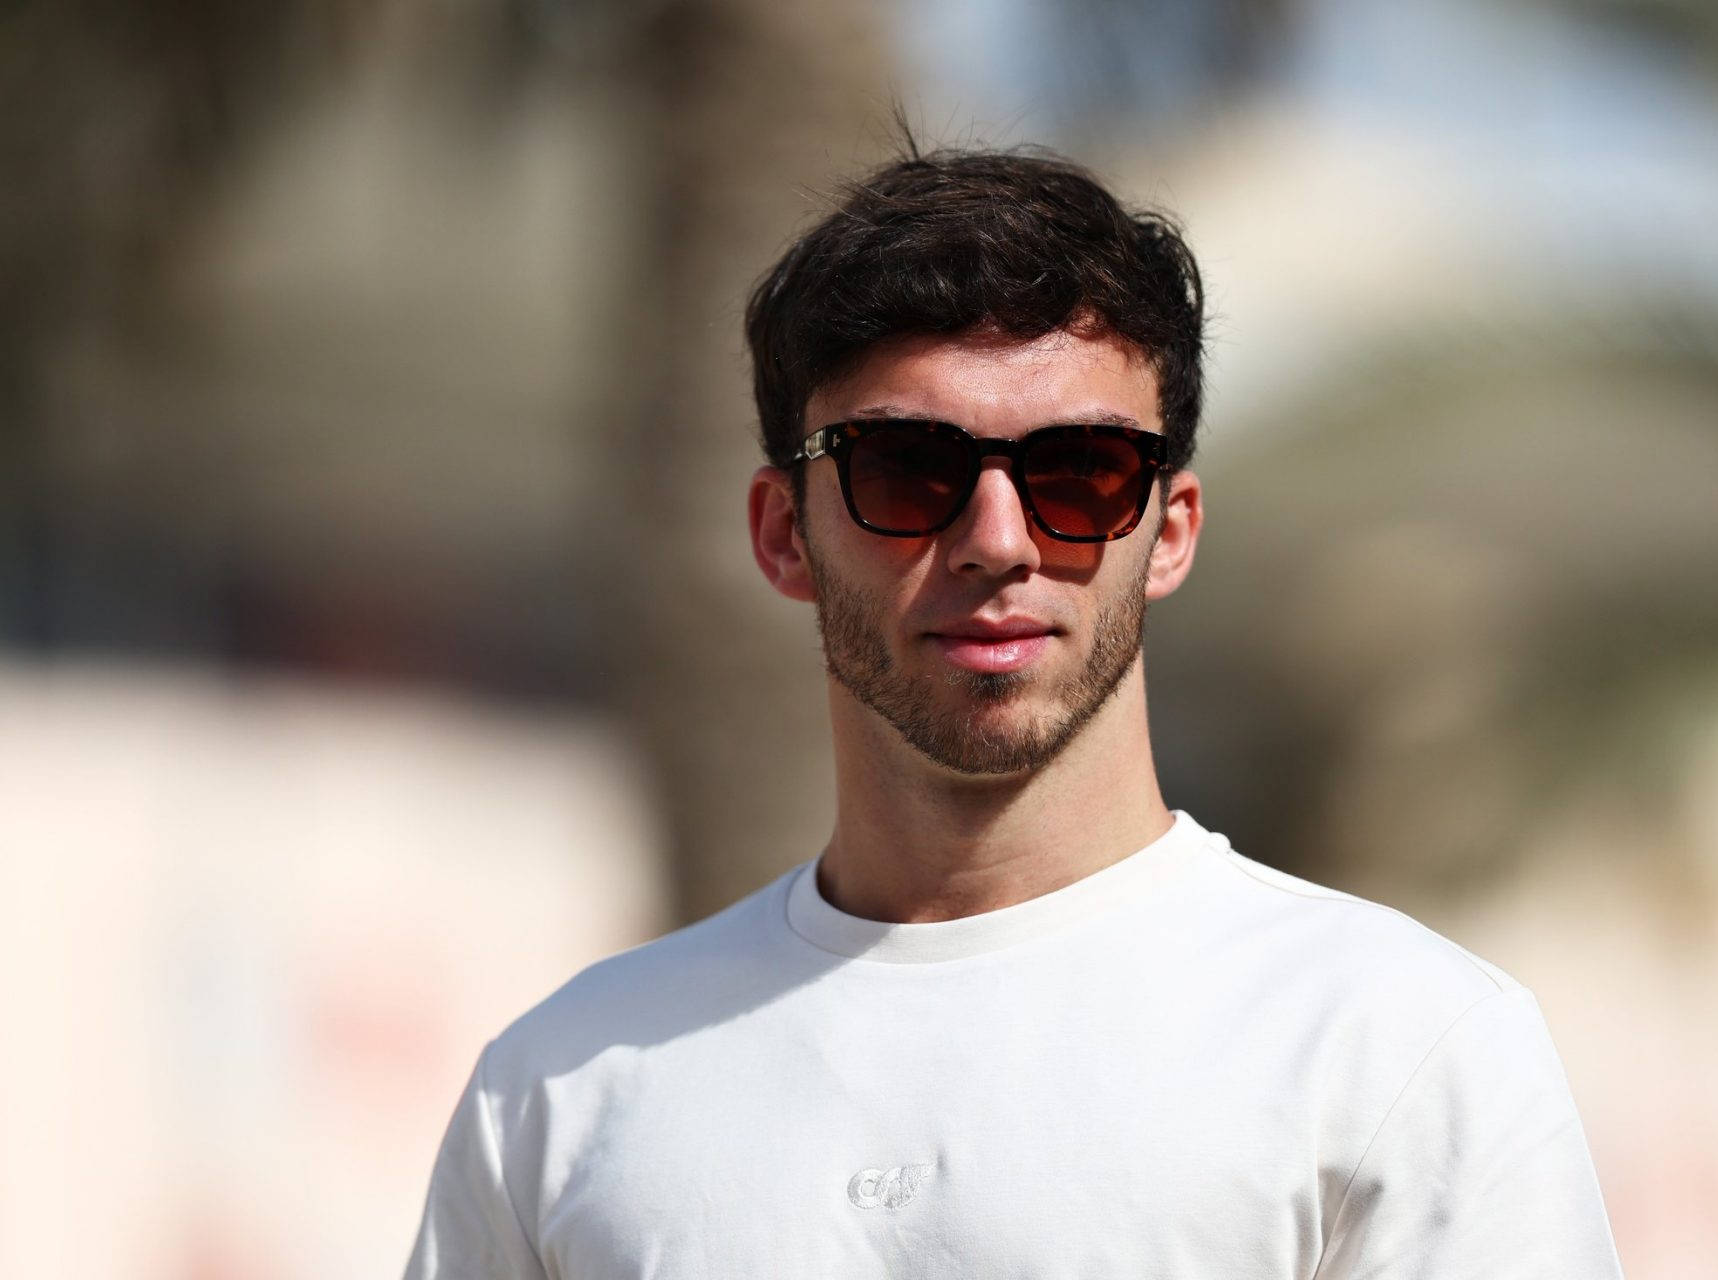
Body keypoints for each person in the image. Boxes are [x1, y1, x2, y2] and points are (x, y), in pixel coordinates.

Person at [404, 146, 1624, 1278]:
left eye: (1079, 474)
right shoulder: (562, 1088)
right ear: (786, 532)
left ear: (1170, 531)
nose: (997, 539)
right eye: (907, 469)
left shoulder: (1394, 1047)